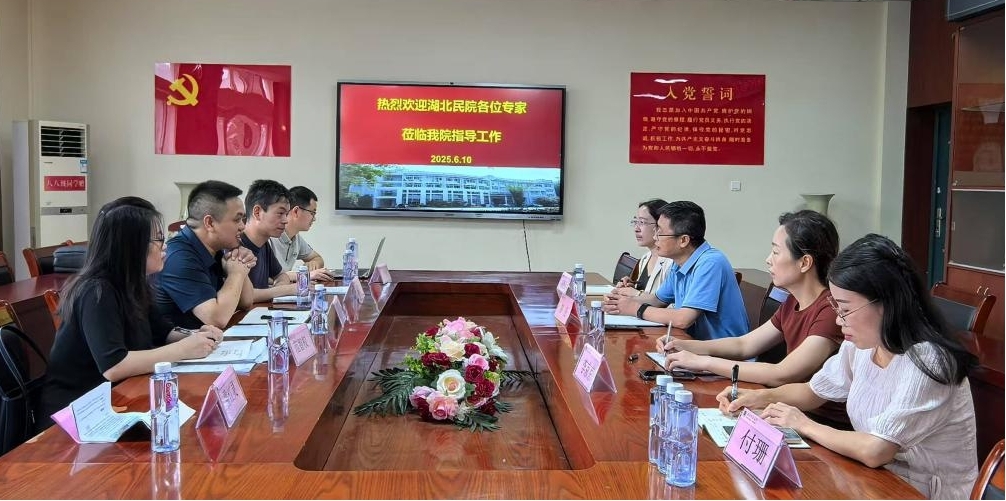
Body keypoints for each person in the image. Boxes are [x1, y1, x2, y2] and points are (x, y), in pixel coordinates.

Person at [717, 234, 978, 499]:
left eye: (845, 309)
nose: (839, 320)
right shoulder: (862, 346)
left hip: (921, 492)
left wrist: (805, 425)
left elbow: (876, 449)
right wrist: (758, 398)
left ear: (885, 303)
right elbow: (812, 392)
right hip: (872, 480)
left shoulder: (929, 359)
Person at [42, 198, 223, 422]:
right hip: (79, 413)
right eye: (159, 239)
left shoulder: (134, 283)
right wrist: (184, 349)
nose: (164, 246)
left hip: (120, 396)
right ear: (131, 246)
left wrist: (197, 336)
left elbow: (163, 331)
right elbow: (114, 366)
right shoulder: (97, 291)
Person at [603, 200, 748, 340]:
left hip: (721, 351)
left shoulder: (710, 263)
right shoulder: (679, 262)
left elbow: (683, 319)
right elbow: (657, 300)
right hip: (690, 345)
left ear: (683, 240)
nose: (655, 237)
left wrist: (635, 308)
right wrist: (619, 301)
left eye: (660, 232)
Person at [155, 180, 256, 329]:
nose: (243, 226)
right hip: (179, 342)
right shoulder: (179, 257)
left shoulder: (216, 248)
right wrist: (236, 273)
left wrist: (239, 261)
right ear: (209, 223)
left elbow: (246, 302)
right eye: (237, 219)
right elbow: (216, 319)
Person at [239, 180, 302, 302]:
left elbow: (281, 275)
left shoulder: (264, 244)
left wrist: (278, 289)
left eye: (286, 214)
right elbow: (244, 296)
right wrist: (286, 290)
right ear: (257, 212)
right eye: (280, 213)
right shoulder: (235, 246)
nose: (285, 220)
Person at [269, 186, 333, 282]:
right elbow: (266, 277)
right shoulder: (269, 236)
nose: (314, 219)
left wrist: (313, 263)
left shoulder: (296, 237)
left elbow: (317, 258)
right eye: (312, 213)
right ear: (296, 211)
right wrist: (305, 275)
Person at [611, 199, 671, 296]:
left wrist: (636, 294)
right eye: (636, 222)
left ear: (660, 225)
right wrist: (630, 287)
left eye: (642, 222)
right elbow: (645, 292)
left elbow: (667, 301)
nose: (636, 229)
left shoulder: (671, 262)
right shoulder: (645, 258)